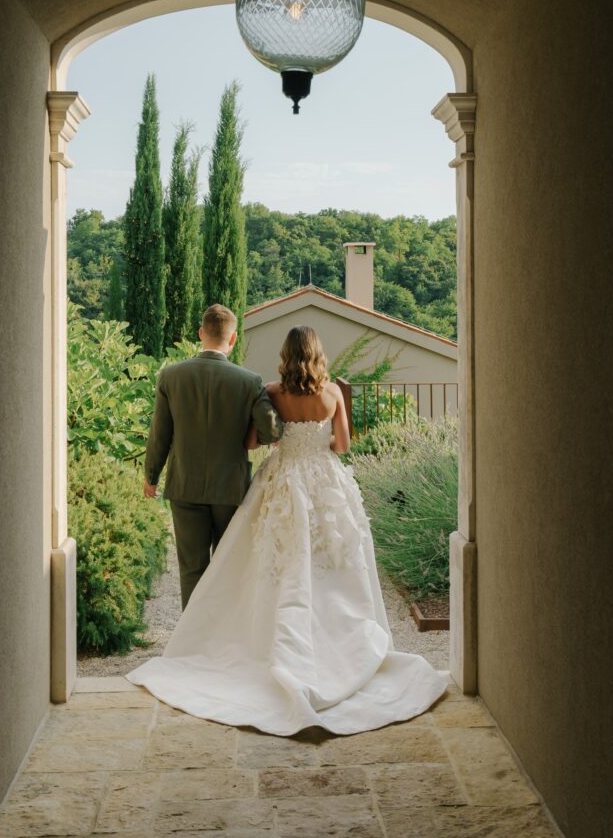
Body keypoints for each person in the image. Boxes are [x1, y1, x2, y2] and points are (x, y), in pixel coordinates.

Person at [127, 324, 448, 735]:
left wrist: (281, 437)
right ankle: (338, 647)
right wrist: (317, 439)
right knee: (331, 565)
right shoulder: (332, 393)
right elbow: (343, 446)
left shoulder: (274, 392)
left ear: (286, 354)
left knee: (273, 561)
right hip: (324, 482)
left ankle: (247, 638)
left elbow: (253, 441)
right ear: (318, 355)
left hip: (283, 481)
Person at [142, 303, 284, 608]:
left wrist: (151, 476)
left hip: (185, 484)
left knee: (191, 567)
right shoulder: (250, 381)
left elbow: (160, 434)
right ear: (232, 340)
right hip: (230, 487)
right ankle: (223, 634)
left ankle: (192, 640)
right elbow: (273, 430)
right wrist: (251, 439)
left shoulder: (170, 377)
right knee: (228, 564)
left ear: (200, 334)